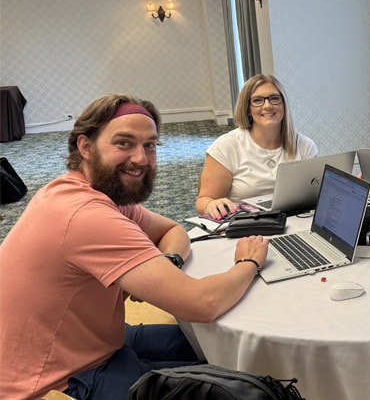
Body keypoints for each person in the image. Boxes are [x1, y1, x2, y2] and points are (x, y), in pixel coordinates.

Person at [0, 93, 269, 399]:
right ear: (85, 146)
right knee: (235, 385)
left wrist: (167, 263)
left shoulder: (90, 190)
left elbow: (172, 229)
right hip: (56, 381)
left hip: (93, 341)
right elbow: (202, 304)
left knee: (221, 344)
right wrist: (249, 262)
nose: (141, 159)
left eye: (150, 145)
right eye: (124, 143)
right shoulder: (86, 216)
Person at [196, 74, 317, 220]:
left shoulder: (305, 145)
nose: (267, 105)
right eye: (257, 100)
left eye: (274, 98)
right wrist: (211, 204)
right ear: (247, 109)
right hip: (246, 225)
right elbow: (203, 200)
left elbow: (316, 194)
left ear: (283, 104)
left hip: (295, 221)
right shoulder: (227, 146)